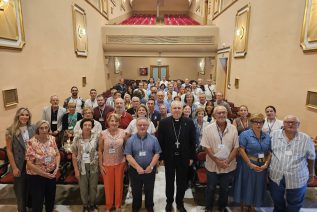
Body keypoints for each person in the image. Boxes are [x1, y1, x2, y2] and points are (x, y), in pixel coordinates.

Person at [269, 115, 315, 212]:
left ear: (298, 125)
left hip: (297, 176)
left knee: (295, 202)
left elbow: (311, 157)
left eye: (293, 122)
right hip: (276, 174)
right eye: (287, 122)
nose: (290, 124)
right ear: (283, 124)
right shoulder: (274, 135)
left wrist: (311, 174)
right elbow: (268, 152)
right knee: (277, 199)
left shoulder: (305, 138)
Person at [158, 100, 196, 212]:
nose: (177, 110)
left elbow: (192, 142)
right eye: (175, 108)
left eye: (179, 108)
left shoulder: (189, 122)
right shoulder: (164, 122)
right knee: (169, 181)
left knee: (182, 182)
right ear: (170, 109)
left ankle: (180, 203)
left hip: (184, 158)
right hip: (169, 158)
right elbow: (161, 142)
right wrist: (161, 158)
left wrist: (191, 157)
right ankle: (169, 202)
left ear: (182, 109)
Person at [201, 106, 239, 212]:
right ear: (214, 115)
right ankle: (208, 207)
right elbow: (206, 147)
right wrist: (217, 161)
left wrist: (227, 161)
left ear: (227, 114)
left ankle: (222, 207)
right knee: (211, 188)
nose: (221, 115)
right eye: (219, 113)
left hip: (228, 165)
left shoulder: (233, 129)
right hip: (212, 165)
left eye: (223, 112)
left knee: (225, 188)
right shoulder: (208, 129)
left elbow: (236, 147)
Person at [233, 114, 271, 212]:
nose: (258, 124)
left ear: (263, 123)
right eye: (256, 122)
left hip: (262, 166)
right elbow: (241, 150)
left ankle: (252, 205)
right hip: (247, 165)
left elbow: (270, 152)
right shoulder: (245, 134)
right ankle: (244, 206)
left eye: (261, 122)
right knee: (246, 185)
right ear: (251, 123)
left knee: (258, 186)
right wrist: (250, 163)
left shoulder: (267, 136)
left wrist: (266, 164)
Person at [124, 117, 162, 212]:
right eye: (140, 125)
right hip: (135, 170)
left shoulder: (154, 139)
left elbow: (157, 153)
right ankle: (136, 207)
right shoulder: (130, 140)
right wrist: (137, 167)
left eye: (144, 125)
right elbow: (128, 155)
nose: (142, 126)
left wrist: (151, 166)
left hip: (150, 169)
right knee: (136, 190)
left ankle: (149, 206)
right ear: (136, 126)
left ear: (148, 126)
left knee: (149, 190)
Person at [25, 120, 60, 212]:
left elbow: (57, 154)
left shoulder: (52, 139)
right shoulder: (31, 142)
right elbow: (29, 163)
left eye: (46, 127)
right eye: (41, 128)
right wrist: (44, 174)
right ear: (37, 129)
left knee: (50, 199)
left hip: (51, 174)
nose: (44, 130)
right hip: (36, 176)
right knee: (38, 201)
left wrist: (57, 168)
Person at [5, 107, 35, 212]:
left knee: (32, 191)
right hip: (19, 165)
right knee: (21, 193)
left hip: (32, 164)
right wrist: (14, 167)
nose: (24, 117)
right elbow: (9, 150)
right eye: (22, 114)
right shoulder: (10, 131)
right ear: (18, 116)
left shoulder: (33, 128)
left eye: (27, 115)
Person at [99, 113, 126, 212]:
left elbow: (127, 148)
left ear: (119, 122)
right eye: (112, 121)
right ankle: (109, 206)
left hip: (120, 162)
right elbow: (100, 150)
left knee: (119, 185)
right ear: (108, 122)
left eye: (116, 121)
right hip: (107, 163)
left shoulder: (123, 133)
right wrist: (100, 165)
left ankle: (118, 206)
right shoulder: (103, 134)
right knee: (108, 186)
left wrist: (127, 161)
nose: (114, 123)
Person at [71, 118, 99, 212]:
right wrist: (75, 169)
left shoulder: (97, 137)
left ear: (92, 127)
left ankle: (92, 204)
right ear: (81, 127)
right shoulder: (77, 138)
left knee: (93, 186)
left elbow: (100, 150)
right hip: (81, 166)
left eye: (89, 125)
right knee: (83, 187)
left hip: (94, 165)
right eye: (85, 125)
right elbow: (74, 154)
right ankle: (85, 205)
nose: (87, 127)